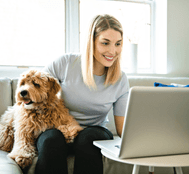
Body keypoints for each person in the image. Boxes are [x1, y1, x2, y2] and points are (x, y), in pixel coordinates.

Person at [35, 14, 129, 174]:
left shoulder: (120, 79)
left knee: (89, 138)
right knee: (51, 140)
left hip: (94, 130)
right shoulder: (64, 64)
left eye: (118, 44)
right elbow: (34, 94)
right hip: (58, 129)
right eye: (105, 43)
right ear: (91, 42)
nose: (113, 51)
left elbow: (122, 130)